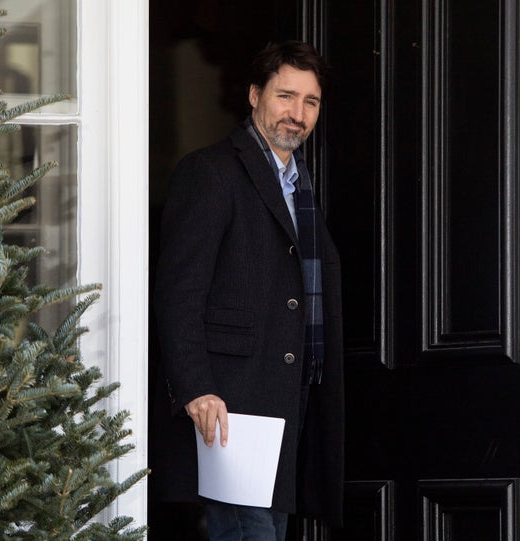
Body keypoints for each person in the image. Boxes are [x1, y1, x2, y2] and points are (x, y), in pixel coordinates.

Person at [152, 40, 344, 541]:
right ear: (255, 95)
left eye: (311, 101)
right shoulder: (211, 172)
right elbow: (179, 290)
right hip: (230, 409)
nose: (297, 114)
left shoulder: (298, 185)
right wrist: (194, 387)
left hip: (288, 404)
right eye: (286, 96)